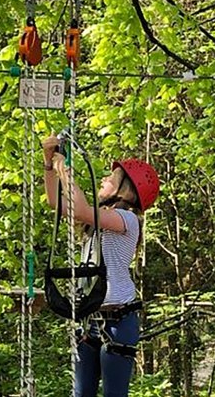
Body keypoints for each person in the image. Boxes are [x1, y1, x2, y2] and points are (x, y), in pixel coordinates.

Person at [41, 134, 160, 397]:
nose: (104, 179)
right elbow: (54, 202)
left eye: (111, 178)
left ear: (125, 189)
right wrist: (49, 164)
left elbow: (81, 209)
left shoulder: (127, 220)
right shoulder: (99, 220)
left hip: (117, 320)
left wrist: (65, 169)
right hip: (91, 319)